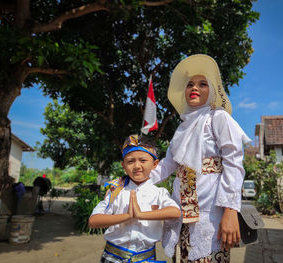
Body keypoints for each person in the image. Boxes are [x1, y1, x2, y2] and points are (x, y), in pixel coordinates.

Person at [148, 54, 251, 262]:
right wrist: (137, 180)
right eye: (189, 84)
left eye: (202, 84)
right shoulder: (181, 128)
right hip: (181, 213)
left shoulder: (218, 118)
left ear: (211, 91)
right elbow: (168, 164)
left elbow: (234, 163)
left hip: (211, 215)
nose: (194, 88)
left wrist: (231, 211)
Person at [89, 135, 181, 263]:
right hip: (112, 257)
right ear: (123, 166)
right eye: (130, 161)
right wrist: (128, 216)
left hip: (146, 258)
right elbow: (93, 221)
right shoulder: (116, 191)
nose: (137, 166)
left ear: (155, 164)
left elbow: (175, 212)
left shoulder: (159, 193)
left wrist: (141, 215)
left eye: (143, 160)